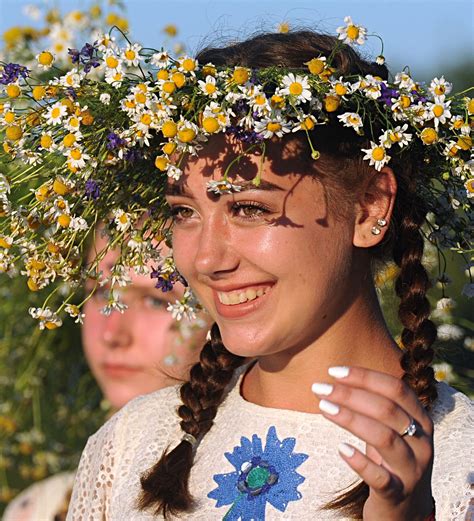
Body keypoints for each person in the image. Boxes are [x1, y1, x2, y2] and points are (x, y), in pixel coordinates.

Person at [63, 27, 474, 520]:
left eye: (249, 209)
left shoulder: (460, 464)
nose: (207, 259)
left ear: (368, 207)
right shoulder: (133, 443)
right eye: (184, 212)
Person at [3, 229, 207, 520]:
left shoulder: (231, 495)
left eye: (156, 300)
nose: (113, 333)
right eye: (101, 292)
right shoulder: (37, 509)